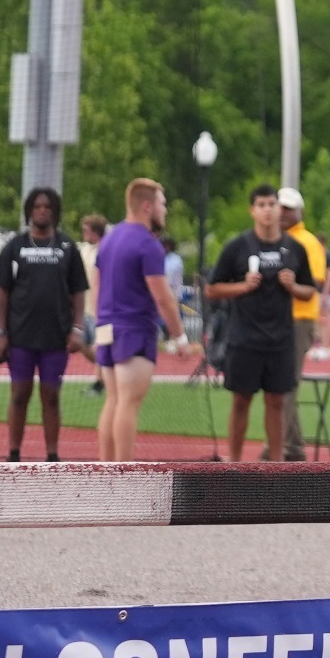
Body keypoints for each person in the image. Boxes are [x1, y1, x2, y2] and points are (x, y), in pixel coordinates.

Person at [205, 186, 316, 461]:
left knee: (276, 401)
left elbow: (310, 290)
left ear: (280, 209)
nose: (268, 210)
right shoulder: (237, 246)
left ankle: (275, 465)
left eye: (272, 204)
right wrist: (242, 287)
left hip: (280, 338)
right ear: (252, 210)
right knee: (241, 400)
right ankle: (234, 462)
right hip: (244, 337)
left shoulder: (295, 248)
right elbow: (212, 289)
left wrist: (293, 287)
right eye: (262, 205)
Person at [94, 180, 193, 462]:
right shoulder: (148, 244)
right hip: (133, 330)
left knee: (113, 400)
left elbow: (97, 283)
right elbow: (163, 297)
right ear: (147, 206)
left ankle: (105, 471)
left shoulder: (110, 238)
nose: (165, 211)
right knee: (128, 403)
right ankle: (124, 475)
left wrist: (102, 319)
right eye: (163, 205)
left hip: (108, 327)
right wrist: (180, 337)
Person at [0, 187, 88, 462]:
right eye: (36, 206)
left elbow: (79, 291)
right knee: (20, 394)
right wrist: (0, 332)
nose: (41, 211)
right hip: (20, 335)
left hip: (56, 336)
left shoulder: (67, 247)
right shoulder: (15, 246)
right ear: (29, 211)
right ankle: (13, 453)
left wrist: (77, 329)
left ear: (55, 212)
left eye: (47, 207)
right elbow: (1, 291)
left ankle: (53, 455)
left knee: (52, 395)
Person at [277, 187, 327, 461]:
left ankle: (290, 448)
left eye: (288, 208)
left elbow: (317, 281)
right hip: (281, 318)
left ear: (299, 212)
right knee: (279, 385)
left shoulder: (307, 242)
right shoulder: (278, 239)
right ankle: (287, 445)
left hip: (300, 318)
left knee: (285, 384)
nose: (282, 213)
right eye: (280, 207)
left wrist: (290, 282)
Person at [77, 214, 108, 391]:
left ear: (95, 232)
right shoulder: (84, 250)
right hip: (85, 308)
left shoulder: (105, 250)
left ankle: (99, 382)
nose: (83, 233)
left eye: (86, 230)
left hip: (101, 309)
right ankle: (110, 371)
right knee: (82, 345)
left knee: (101, 346)